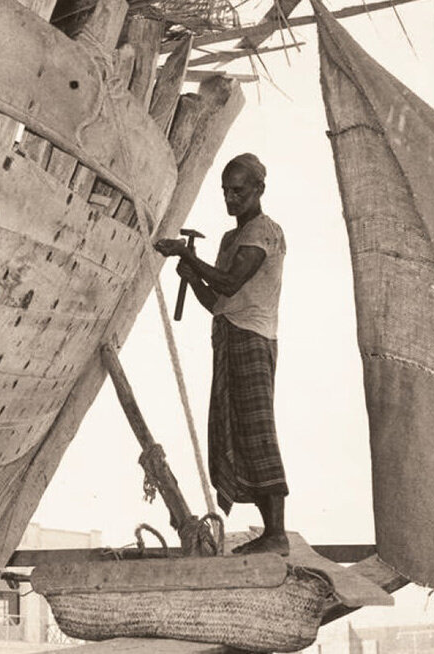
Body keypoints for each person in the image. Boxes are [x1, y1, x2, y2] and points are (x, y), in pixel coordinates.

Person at [153, 153, 290, 556]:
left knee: (258, 433)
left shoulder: (265, 231)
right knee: (237, 433)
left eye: (239, 191)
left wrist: (187, 255)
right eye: (226, 191)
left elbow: (231, 283)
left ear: (259, 190)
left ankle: (277, 534)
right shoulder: (231, 239)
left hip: (253, 339)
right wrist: (193, 278)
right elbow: (217, 301)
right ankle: (271, 533)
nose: (231, 198)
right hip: (229, 336)